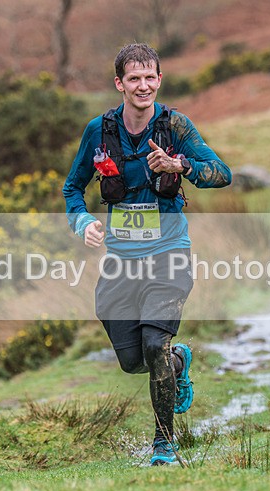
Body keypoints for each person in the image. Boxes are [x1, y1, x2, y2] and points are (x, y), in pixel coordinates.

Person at [63, 43, 231, 466]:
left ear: (159, 80)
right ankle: (178, 361)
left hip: (169, 252)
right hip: (120, 260)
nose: (143, 85)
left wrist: (181, 168)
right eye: (133, 78)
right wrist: (83, 223)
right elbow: (72, 190)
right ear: (119, 83)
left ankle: (164, 445)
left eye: (150, 77)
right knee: (132, 361)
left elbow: (222, 174)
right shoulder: (98, 132)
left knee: (155, 343)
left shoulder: (175, 127)